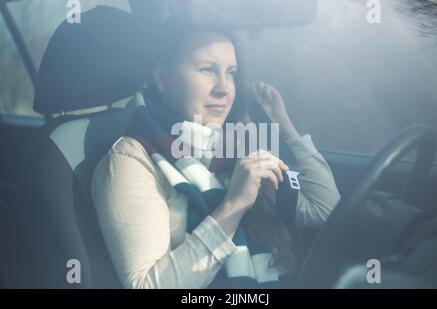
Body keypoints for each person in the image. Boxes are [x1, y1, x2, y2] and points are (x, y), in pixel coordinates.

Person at [91, 19, 341, 289]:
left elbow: (325, 213)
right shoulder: (131, 159)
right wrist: (235, 205)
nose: (224, 87)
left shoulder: (235, 147)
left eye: (231, 73)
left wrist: (283, 124)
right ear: (162, 78)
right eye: (208, 70)